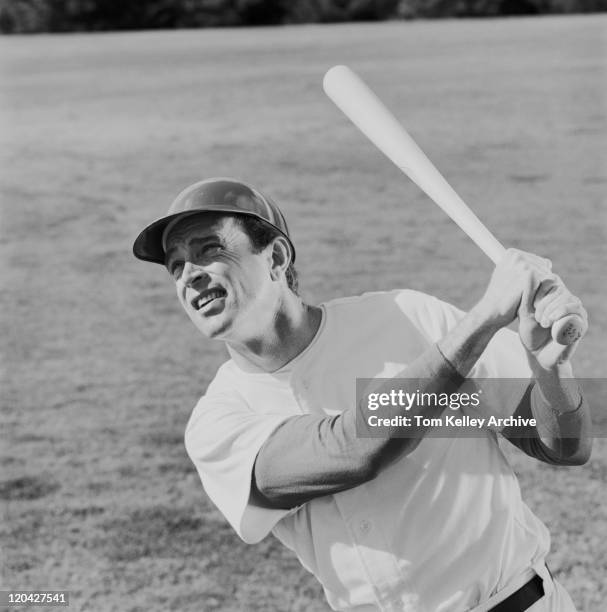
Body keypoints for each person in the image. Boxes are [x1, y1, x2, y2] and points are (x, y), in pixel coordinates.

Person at [133, 177, 591, 612]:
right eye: (175, 266)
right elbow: (354, 449)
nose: (188, 275)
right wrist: (485, 319)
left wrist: (552, 369)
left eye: (208, 249)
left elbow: (564, 446)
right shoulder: (218, 420)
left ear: (275, 257)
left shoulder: (407, 318)